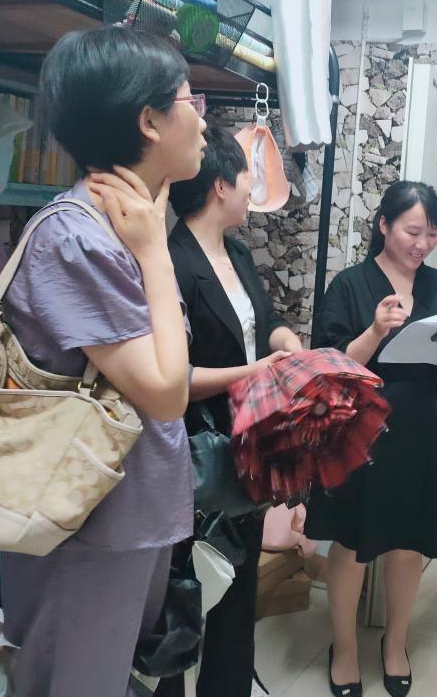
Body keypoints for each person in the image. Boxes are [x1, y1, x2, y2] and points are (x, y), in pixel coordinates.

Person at [0, 26, 206, 697]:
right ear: (149, 121)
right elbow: (166, 391)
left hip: (125, 514)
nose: (203, 118)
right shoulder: (77, 237)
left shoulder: (123, 223)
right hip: (87, 525)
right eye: (191, 100)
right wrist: (155, 252)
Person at [305, 180, 437, 697]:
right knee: (350, 544)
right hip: (357, 427)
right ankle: (344, 648)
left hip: (420, 426)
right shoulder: (350, 284)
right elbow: (328, 364)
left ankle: (395, 642)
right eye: (413, 231)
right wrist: (375, 331)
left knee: (408, 545)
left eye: (432, 233)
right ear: (384, 225)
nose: (423, 244)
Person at [154, 126, 303, 697]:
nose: (251, 191)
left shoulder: (238, 254)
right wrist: (255, 371)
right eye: (247, 179)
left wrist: (285, 341)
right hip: (194, 451)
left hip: (248, 445)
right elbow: (174, 378)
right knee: (182, 593)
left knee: (237, 595)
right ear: (220, 185)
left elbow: (264, 323)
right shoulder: (171, 262)